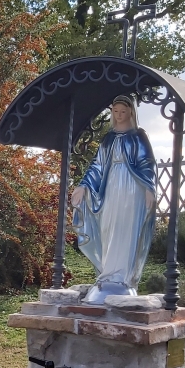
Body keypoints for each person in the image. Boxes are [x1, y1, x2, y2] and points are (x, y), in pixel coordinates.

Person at [70, 95, 157, 304]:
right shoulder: (108, 139)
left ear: (131, 113)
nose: (119, 115)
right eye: (115, 111)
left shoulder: (138, 136)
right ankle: (108, 275)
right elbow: (97, 166)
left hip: (132, 188)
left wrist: (149, 188)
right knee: (108, 227)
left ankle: (123, 279)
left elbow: (147, 163)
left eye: (123, 112)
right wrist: (83, 185)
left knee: (127, 228)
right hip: (111, 186)